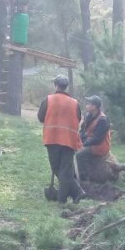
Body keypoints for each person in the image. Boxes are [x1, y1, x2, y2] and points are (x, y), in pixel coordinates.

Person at [37, 75, 85, 204]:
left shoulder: (48, 100)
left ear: (56, 85)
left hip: (52, 138)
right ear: (66, 86)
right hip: (69, 140)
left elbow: (41, 117)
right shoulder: (75, 103)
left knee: (58, 169)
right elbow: (78, 118)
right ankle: (75, 193)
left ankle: (64, 198)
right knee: (65, 170)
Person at [76, 95, 111, 181]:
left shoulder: (103, 120)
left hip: (100, 146)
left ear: (94, 106)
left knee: (79, 155)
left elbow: (97, 139)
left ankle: (84, 178)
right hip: (90, 142)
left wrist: (83, 144)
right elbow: (83, 131)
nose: (86, 105)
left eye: (88, 104)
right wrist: (77, 139)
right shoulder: (88, 115)